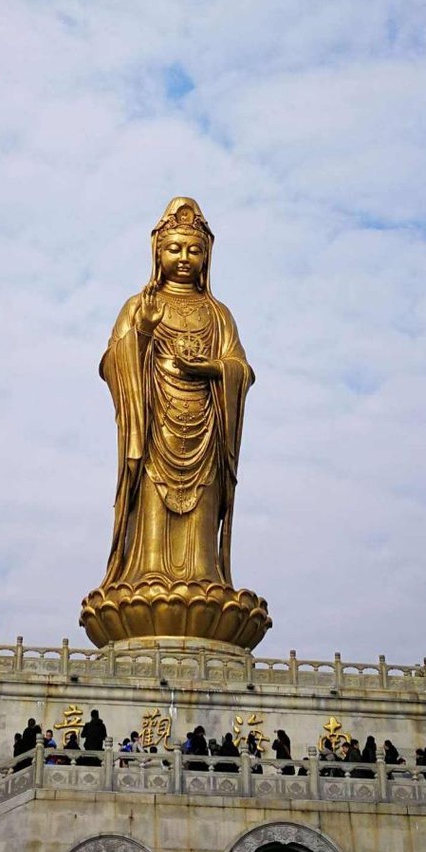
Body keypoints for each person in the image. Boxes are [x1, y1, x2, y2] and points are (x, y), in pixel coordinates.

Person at [88, 199, 257, 614]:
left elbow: (242, 369)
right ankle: (143, 575)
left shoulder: (218, 315)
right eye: (175, 248)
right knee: (152, 504)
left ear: (207, 256)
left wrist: (215, 368)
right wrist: (141, 333)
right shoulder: (138, 305)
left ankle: (203, 577)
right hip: (153, 426)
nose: (184, 258)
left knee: (200, 512)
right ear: (157, 253)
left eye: (193, 250)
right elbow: (112, 363)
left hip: (205, 427)